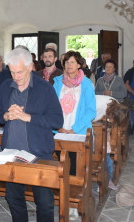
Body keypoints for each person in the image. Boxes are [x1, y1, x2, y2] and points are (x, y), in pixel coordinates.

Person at [0, 48, 63, 222]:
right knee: (14, 199)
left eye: (20, 72)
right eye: (12, 72)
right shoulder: (5, 87)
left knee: (45, 202)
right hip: (11, 153)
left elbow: (57, 121)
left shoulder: (45, 88)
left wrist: (28, 117)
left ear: (31, 66)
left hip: (39, 153)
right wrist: (6, 116)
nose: (16, 77)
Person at [53, 50, 96, 220]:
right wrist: (58, 126)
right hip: (60, 131)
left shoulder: (85, 84)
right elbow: (51, 105)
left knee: (73, 170)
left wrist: (74, 129)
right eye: (66, 62)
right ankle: (65, 199)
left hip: (77, 133)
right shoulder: (57, 82)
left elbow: (91, 111)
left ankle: (72, 203)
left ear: (79, 64)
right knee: (63, 169)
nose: (69, 65)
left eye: (72, 62)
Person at [123, 60, 134, 134]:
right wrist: (133, 92)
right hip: (131, 98)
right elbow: (126, 84)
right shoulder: (130, 72)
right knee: (131, 119)